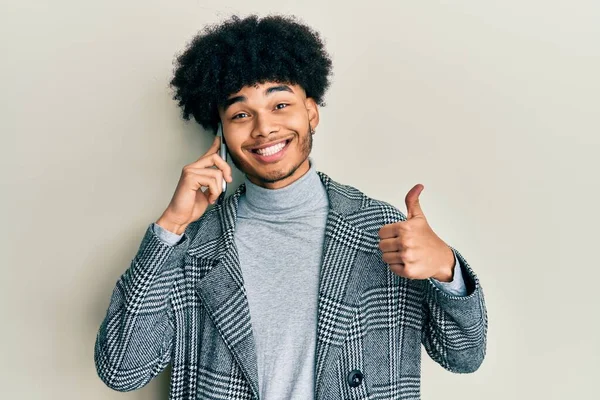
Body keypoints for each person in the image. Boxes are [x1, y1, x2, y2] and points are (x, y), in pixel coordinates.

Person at [94, 14, 487, 400]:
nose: (264, 128)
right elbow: (122, 369)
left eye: (280, 105)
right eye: (241, 114)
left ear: (311, 112)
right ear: (222, 133)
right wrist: (171, 226)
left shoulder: (381, 228)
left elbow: (465, 356)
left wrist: (446, 268)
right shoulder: (194, 242)